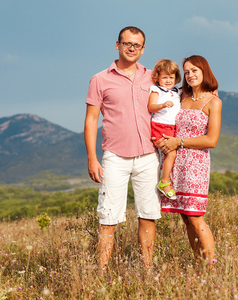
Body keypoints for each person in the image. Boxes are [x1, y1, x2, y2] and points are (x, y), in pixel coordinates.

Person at [84, 26, 161, 269]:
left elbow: (177, 91)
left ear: (143, 49)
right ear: (116, 45)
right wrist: (92, 158)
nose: (131, 48)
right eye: (126, 43)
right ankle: (101, 272)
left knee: (148, 215)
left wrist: (209, 89)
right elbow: (91, 120)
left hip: (149, 156)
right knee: (108, 217)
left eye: (136, 45)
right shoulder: (99, 79)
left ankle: (148, 271)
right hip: (115, 157)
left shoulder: (152, 77)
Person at [154, 55, 222, 266]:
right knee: (184, 217)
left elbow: (211, 140)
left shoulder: (214, 101)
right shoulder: (180, 96)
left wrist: (178, 141)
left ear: (204, 72)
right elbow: (158, 82)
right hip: (174, 162)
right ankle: (200, 263)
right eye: (187, 71)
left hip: (196, 164)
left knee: (195, 215)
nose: (190, 75)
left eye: (195, 70)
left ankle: (212, 266)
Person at [148, 59, 182, 200]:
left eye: (171, 77)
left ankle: (167, 180)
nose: (168, 80)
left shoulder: (177, 91)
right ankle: (164, 182)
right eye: (164, 77)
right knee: (172, 154)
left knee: (172, 154)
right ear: (157, 78)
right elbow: (151, 107)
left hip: (171, 127)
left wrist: (213, 90)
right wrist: (162, 105)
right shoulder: (157, 90)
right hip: (160, 126)